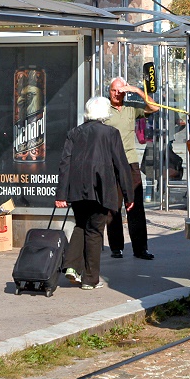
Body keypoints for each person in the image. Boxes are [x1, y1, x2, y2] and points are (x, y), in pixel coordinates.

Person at [54, 96, 133, 289]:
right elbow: (121, 165)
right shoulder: (111, 133)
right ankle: (90, 279)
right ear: (105, 112)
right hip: (101, 188)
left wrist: (61, 194)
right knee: (95, 231)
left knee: (81, 225)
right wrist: (128, 195)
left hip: (77, 189)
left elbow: (65, 164)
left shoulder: (74, 133)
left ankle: (71, 266)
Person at [105, 77, 158, 260]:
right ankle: (116, 247)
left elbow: (154, 108)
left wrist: (137, 91)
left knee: (135, 206)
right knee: (113, 206)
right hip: (110, 163)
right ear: (109, 91)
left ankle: (140, 248)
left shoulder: (131, 107)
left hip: (130, 162)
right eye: (114, 90)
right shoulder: (104, 109)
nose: (117, 93)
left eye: (121, 90)